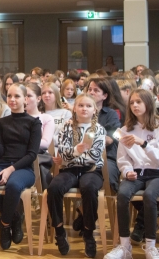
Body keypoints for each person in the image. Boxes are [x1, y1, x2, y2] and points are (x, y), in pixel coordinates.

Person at [0, 83, 41, 250]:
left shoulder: (34, 123)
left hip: (24, 168)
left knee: (13, 185)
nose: (12, 100)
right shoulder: (1, 122)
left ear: (25, 99)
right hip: (3, 164)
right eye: (10, 96)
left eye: (17, 96)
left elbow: (32, 155)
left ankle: (4, 224)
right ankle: (14, 216)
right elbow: (0, 152)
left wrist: (11, 169)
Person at [47, 94, 106, 258]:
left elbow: (94, 156)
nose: (84, 109)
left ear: (95, 110)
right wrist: (76, 151)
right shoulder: (67, 127)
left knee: (89, 187)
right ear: (74, 108)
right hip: (69, 170)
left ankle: (88, 233)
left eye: (88, 106)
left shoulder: (99, 129)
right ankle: (59, 231)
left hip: (91, 170)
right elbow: (62, 154)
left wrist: (71, 155)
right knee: (54, 188)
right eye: (81, 105)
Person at [104, 89, 159, 259]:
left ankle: (150, 246)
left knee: (150, 196)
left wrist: (144, 144)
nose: (134, 105)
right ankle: (124, 246)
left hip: (156, 173)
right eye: (132, 102)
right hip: (135, 173)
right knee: (122, 194)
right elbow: (122, 158)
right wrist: (127, 171)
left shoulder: (157, 127)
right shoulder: (126, 129)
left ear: (148, 104)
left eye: (139, 102)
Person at [25, 82, 55, 188]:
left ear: (38, 99)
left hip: (39, 154)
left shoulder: (46, 118)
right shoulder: (15, 118)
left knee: (35, 161)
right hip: (18, 153)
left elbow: (45, 143)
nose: (25, 99)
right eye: (23, 95)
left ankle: (42, 199)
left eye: (28, 96)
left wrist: (23, 142)